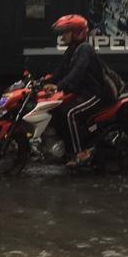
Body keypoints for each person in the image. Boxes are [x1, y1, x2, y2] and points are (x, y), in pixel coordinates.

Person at [42, 14, 113, 167]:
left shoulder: (85, 49)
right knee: (58, 110)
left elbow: (77, 72)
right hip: (81, 94)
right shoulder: (72, 50)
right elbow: (60, 72)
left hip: (94, 94)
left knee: (70, 113)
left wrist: (58, 86)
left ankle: (80, 152)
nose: (63, 35)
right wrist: (42, 82)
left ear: (77, 32)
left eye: (66, 32)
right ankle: (67, 151)